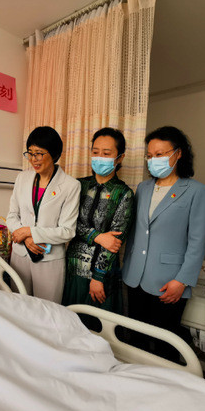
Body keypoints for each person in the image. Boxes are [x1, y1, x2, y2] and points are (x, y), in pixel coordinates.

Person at [122, 126, 205, 361]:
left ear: (178, 154)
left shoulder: (196, 191)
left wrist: (182, 280)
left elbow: (197, 240)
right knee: (136, 338)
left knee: (165, 343)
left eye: (160, 154)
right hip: (135, 276)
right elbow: (137, 231)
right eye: (150, 155)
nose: (153, 160)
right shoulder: (143, 188)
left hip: (169, 281)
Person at [62, 128, 134, 321]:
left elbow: (114, 241)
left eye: (106, 153)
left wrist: (98, 277)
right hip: (72, 267)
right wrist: (98, 236)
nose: (99, 157)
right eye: (95, 152)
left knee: (98, 328)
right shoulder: (78, 185)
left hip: (101, 276)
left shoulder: (123, 193)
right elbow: (67, 224)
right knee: (69, 323)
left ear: (119, 158)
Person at [7, 126, 81, 303]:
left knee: (47, 310)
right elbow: (12, 216)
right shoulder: (22, 178)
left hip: (49, 260)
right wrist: (26, 238)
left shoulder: (71, 186)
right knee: (18, 306)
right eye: (30, 153)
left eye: (39, 154)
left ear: (54, 154)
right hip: (20, 255)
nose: (33, 159)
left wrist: (29, 232)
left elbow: (67, 231)